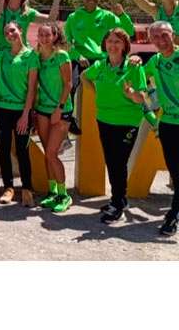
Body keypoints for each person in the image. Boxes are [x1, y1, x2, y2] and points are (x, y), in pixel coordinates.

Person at [82, 28, 146, 223]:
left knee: (119, 162)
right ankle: (119, 198)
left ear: (125, 45)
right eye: (110, 41)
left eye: (117, 41)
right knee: (111, 161)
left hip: (126, 122)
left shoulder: (134, 67)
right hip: (104, 119)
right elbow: (85, 76)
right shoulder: (100, 65)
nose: (113, 45)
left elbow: (141, 98)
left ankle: (117, 203)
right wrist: (96, 92)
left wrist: (131, 94)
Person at [124, 21, 179, 235]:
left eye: (164, 35)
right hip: (168, 125)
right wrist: (135, 61)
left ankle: (172, 215)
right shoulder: (153, 62)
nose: (160, 40)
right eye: (155, 37)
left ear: (173, 34)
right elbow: (146, 91)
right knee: (175, 171)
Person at [0, 21, 39, 207]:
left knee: (22, 150)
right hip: (2, 109)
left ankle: (27, 188)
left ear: (21, 30)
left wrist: (26, 114)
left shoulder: (31, 56)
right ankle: (8, 188)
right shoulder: (0, 56)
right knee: (3, 150)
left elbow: (32, 88)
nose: (9, 34)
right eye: (6, 32)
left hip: (21, 111)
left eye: (12, 30)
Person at [34, 22, 73, 213]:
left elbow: (68, 84)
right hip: (42, 109)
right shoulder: (36, 57)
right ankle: (52, 192)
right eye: (41, 35)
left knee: (51, 153)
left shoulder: (61, 56)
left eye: (47, 35)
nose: (44, 38)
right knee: (46, 153)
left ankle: (64, 195)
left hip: (60, 110)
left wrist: (60, 107)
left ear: (55, 37)